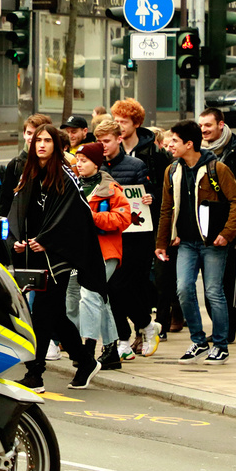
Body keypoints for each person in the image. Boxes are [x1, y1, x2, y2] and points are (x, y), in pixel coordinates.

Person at [8, 123, 103, 392]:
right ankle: (84, 360)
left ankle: (35, 374)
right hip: (33, 256)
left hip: (58, 258)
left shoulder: (65, 176)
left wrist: (47, 241)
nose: (41, 145)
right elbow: (16, 214)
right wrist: (16, 242)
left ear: (56, 145)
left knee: (41, 314)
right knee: (56, 316)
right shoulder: (27, 174)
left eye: (47, 140)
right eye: (38, 140)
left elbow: (76, 219)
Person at [155, 119, 236, 364]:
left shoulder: (217, 168)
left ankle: (221, 345)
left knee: (214, 292)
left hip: (213, 243)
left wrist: (226, 233)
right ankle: (198, 341)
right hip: (185, 243)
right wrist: (161, 242)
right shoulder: (172, 171)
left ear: (189, 143)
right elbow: (166, 208)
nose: (169, 145)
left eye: (174, 141)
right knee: (184, 289)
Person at [93, 117, 156, 358]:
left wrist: (149, 196)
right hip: (108, 237)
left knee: (123, 286)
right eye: (99, 141)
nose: (103, 146)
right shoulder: (97, 167)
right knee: (109, 288)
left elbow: (147, 193)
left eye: (107, 141)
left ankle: (145, 325)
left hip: (135, 238)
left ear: (119, 139)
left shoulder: (136, 165)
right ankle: (123, 337)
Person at [113, 98, 176, 334]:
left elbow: (166, 187)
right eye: (116, 121)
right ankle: (138, 327)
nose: (120, 125)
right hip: (119, 225)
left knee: (141, 278)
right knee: (122, 281)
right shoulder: (113, 150)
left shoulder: (154, 153)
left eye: (124, 121)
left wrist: (153, 196)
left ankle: (149, 324)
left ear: (136, 123)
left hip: (145, 225)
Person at [72, 143, 132, 378]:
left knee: (90, 295)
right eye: (77, 159)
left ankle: (87, 347)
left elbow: (123, 218)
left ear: (97, 163)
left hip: (106, 251)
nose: (79, 164)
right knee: (100, 300)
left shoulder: (111, 189)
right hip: (81, 252)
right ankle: (111, 351)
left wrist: (93, 216)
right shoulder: (73, 186)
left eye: (84, 160)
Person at [197, 107, 236, 338]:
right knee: (211, 280)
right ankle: (220, 326)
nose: (204, 130)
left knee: (228, 278)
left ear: (221, 124)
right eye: (201, 126)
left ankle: (227, 328)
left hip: (234, 225)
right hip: (206, 224)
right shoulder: (199, 152)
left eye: (208, 125)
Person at [0, 114, 53, 195]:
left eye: (36, 134)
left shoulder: (58, 163)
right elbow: (6, 200)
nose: (32, 138)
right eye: (29, 133)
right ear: (24, 134)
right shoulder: (15, 165)